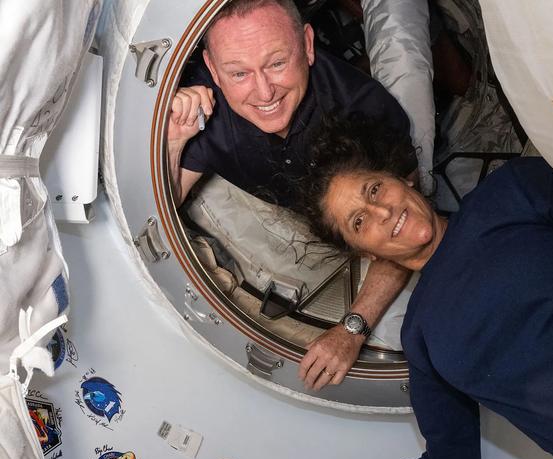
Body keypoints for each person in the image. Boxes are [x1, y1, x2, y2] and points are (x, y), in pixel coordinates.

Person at [281, 118, 553, 459]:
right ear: (366, 254)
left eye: (374, 189)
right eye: (360, 222)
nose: (382, 212)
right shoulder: (420, 337)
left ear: (402, 178)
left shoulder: (510, 192)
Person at [167, 0, 419, 388]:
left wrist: (353, 328)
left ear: (307, 44)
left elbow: (406, 225)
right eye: (238, 73)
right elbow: (166, 202)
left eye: (277, 63)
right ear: (213, 69)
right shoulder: (204, 107)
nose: (263, 91)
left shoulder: (364, 111)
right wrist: (174, 142)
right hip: (286, 206)